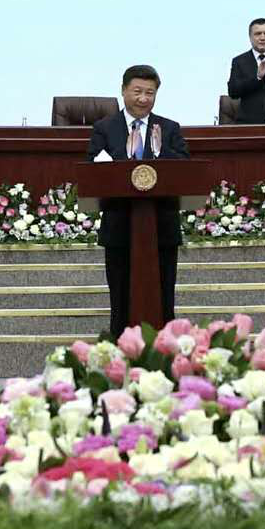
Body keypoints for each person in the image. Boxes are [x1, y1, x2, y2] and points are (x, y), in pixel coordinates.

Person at [87, 64, 190, 336]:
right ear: (123, 91)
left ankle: (166, 350)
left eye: (150, 93)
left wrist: (159, 154)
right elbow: (93, 170)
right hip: (119, 227)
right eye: (137, 91)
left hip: (161, 228)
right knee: (120, 300)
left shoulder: (169, 128)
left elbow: (184, 170)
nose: (143, 98)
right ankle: (120, 351)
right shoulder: (104, 128)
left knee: (164, 299)